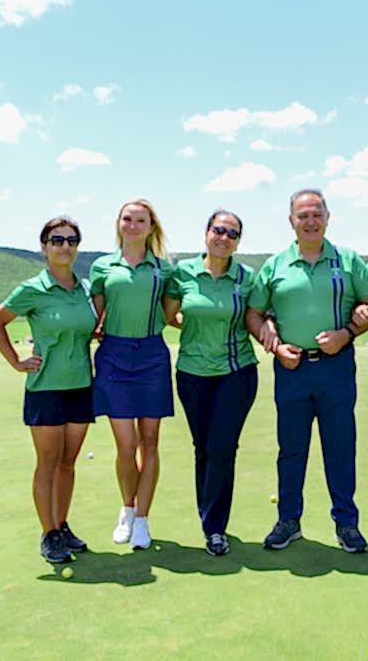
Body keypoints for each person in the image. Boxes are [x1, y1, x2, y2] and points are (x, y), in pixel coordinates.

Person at [245, 188, 368, 553]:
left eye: (316, 214)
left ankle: (347, 524)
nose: (310, 221)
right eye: (302, 215)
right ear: (291, 221)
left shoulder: (348, 261)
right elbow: (254, 314)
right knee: (291, 449)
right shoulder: (275, 265)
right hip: (292, 369)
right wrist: (275, 346)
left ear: (327, 218)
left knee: (340, 448)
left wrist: (347, 333)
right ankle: (288, 521)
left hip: (336, 368)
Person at [0, 217, 96, 564]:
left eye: (71, 240)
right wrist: (16, 361)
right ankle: (48, 534)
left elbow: (88, 327)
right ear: (44, 247)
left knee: (68, 463)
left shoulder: (85, 288)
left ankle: (61, 525)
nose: (65, 246)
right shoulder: (33, 288)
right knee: (48, 463)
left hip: (81, 386)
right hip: (46, 387)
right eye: (57, 240)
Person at [165, 210, 259, 557]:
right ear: (206, 233)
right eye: (219, 230)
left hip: (236, 372)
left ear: (238, 242)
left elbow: (254, 316)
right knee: (203, 447)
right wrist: (197, 326)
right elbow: (168, 315)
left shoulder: (246, 277)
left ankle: (215, 527)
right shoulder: (183, 272)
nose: (224, 238)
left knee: (222, 447)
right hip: (192, 373)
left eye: (232, 234)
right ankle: (208, 516)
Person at [90, 198, 175, 551]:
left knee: (150, 442)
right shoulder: (102, 266)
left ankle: (142, 518)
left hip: (152, 355)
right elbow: (94, 315)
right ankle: (127, 509)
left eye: (141, 220)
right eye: (127, 219)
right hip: (114, 356)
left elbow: (170, 314)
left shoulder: (164, 270)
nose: (133, 225)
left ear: (151, 227)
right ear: (119, 223)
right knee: (126, 445)